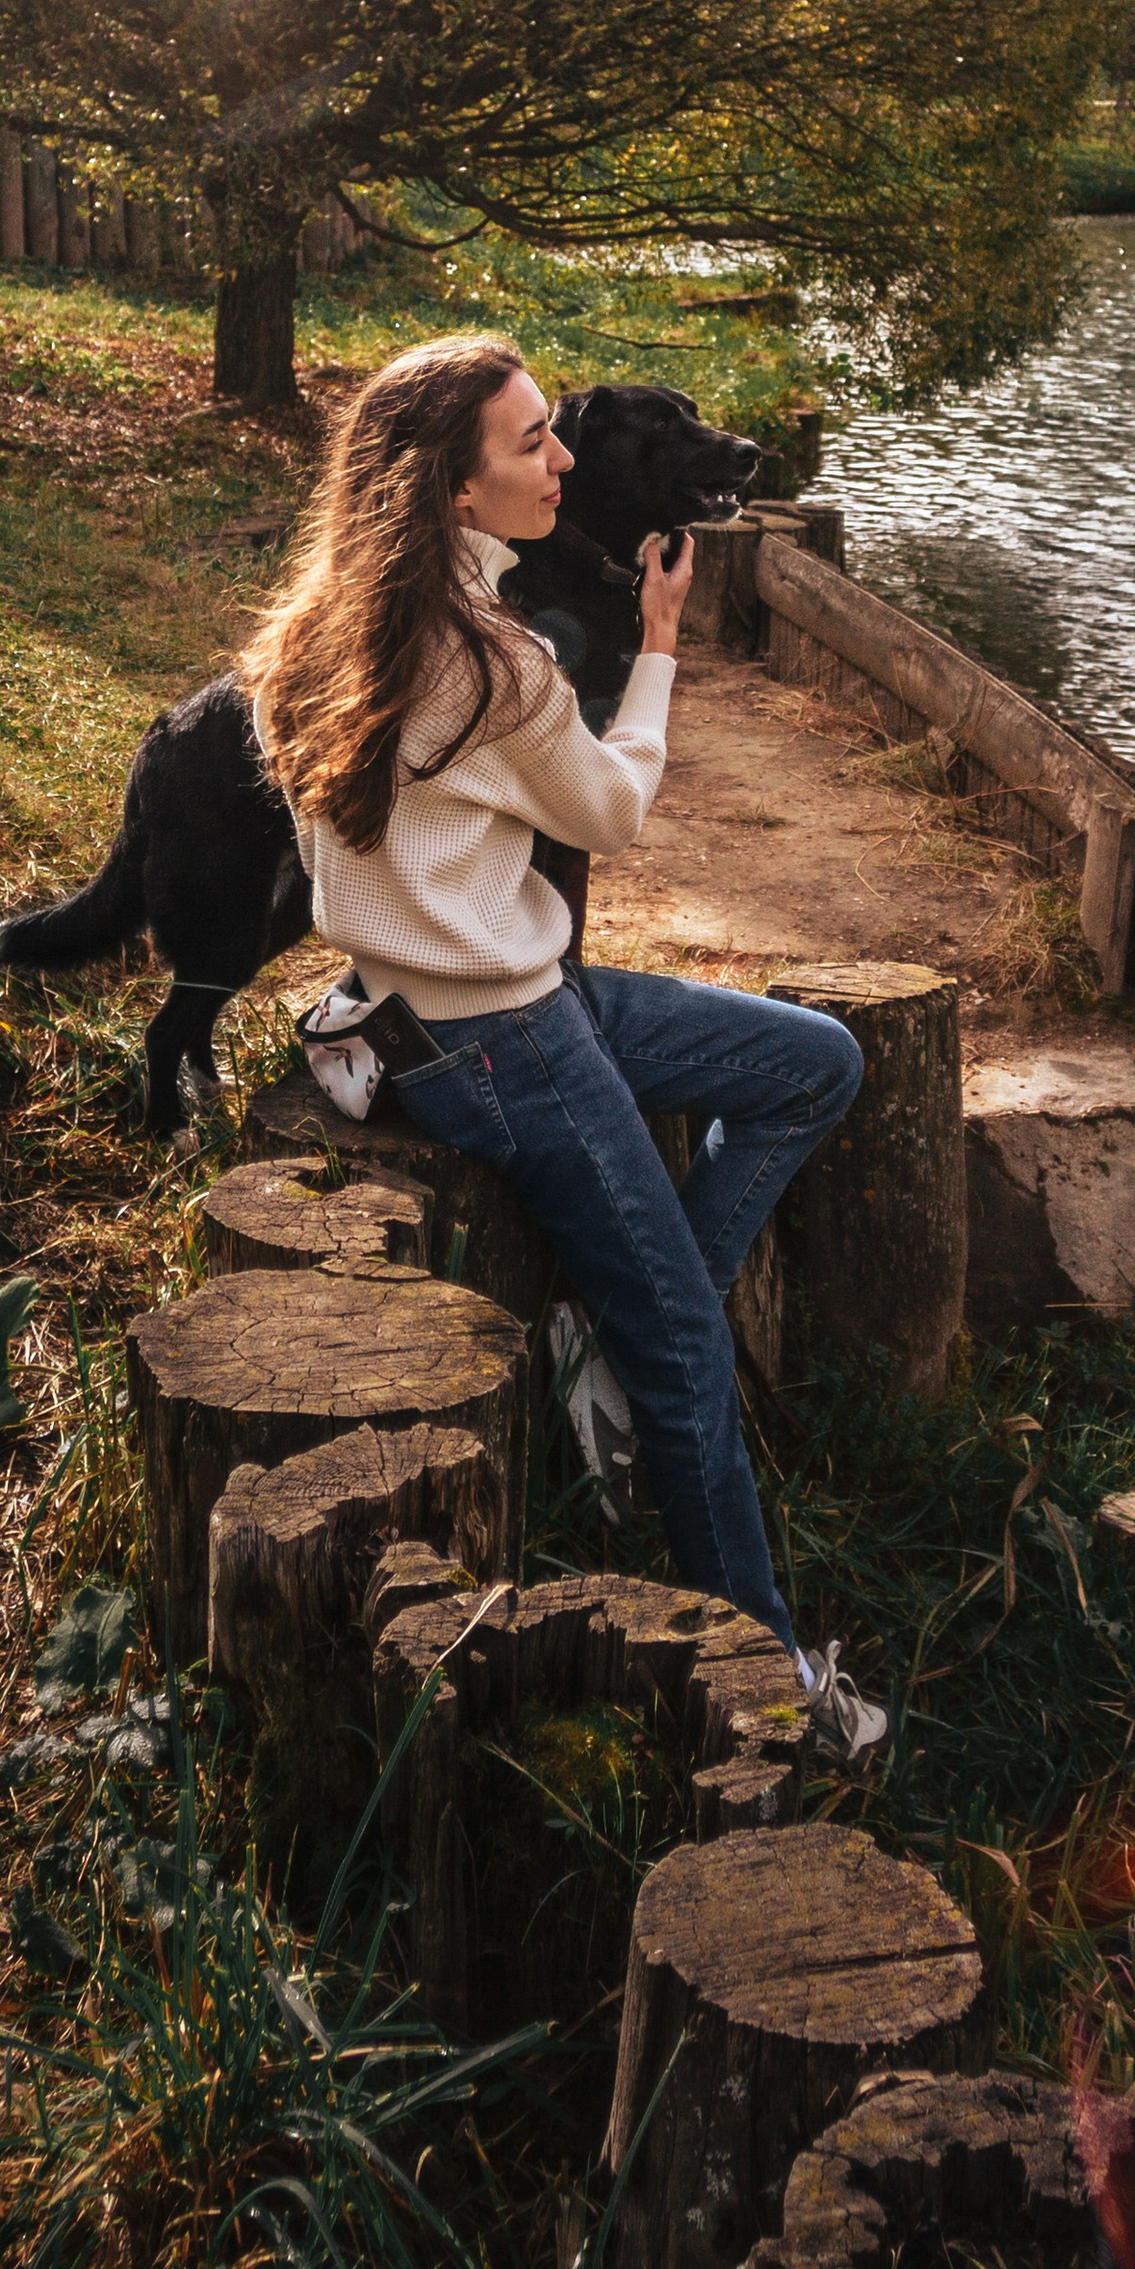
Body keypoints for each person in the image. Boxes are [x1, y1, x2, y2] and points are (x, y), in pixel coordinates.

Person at [240, 331, 888, 1761]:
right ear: (454, 495)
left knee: (815, 1062)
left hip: (440, 1009)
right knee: (686, 1356)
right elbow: (613, 813)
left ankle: (600, 1331)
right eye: (534, 443)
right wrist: (659, 649)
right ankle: (771, 1690)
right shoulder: (500, 662)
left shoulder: (313, 633)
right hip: (507, 1039)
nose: (566, 462)